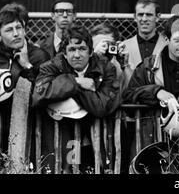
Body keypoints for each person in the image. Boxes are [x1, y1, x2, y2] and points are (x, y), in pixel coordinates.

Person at [31, 25, 121, 173]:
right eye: (72, 50)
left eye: (82, 49)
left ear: (91, 52)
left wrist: (68, 89)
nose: (77, 55)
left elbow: (102, 106)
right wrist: (76, 82)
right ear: (65, 54)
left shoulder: (106, 68)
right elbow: (38, 95)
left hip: (94, 136)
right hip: (60, 132)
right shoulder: (51, 66)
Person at [123, 14, 179, 164]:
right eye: (178, 40)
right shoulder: (148, 66)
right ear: (166, 39)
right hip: (156, 136)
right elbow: (128, 94)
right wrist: (157, 92)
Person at [0, 3, 49, 153]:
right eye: (9, 30)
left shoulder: (39, 56)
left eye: (19, 28)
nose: (16, 34)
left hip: (30, 123)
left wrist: (27, 66)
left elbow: (42, 93)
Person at [122, 0, 167, 70]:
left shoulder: (167, 46)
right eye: (140, 15)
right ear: (135, 17)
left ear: (158, 17)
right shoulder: (124, 47)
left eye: (149, 15)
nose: (144, 19)